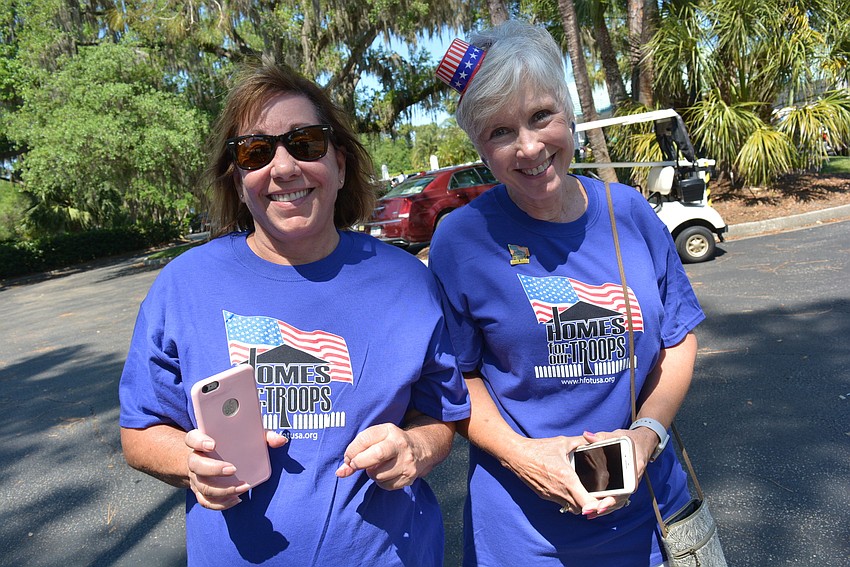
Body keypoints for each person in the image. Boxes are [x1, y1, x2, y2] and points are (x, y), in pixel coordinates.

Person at [119, 60, 470, 566]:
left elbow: (441, 413)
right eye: (255, 152)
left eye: (305, 143)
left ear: (341, 164)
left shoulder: (408, 283)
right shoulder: (184, 285)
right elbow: (140, 430)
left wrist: (415, 446)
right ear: (238, 179)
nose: (283, 168)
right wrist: (189, 464)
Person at [429, 21, 705, 566]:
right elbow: (454, 376)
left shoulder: (629, 212)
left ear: (571, 113)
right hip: (525, 534)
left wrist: (645, 436)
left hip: (651, 515)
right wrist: (527, 458)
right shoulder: (460, 241)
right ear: (480, 147)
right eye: (500, 132)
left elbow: (677, 336)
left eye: (540, 116)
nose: (529, 147)